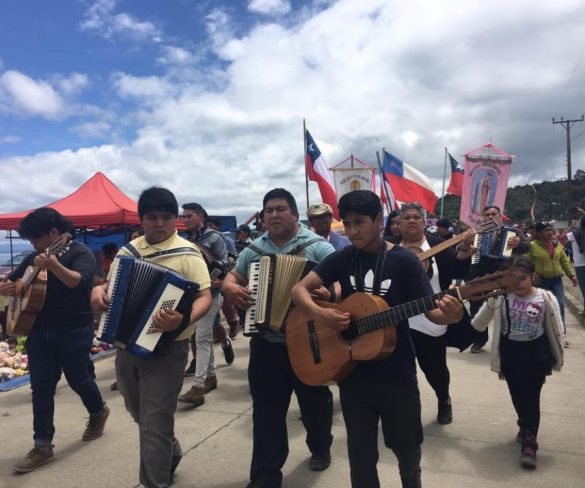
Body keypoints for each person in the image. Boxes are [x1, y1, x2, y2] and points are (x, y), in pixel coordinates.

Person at [291, 190, 464, 488]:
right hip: (353, 374)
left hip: (397, 374)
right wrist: (322, 315)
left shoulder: (404, 262)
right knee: (360, 456)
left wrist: (453, 316)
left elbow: (433, 312)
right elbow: (299, 291)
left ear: (379, 220)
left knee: (407, 451)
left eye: (360, 222)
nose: (352, 230)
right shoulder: (344, 258)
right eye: (347, 223)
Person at [91, 187, 212, 488]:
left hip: (168, 350)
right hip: (126, 347)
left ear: (176, 220)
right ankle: (171, 451)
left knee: (154, 424)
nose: (160, 223)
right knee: (140, 415)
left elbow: (205, 296)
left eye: (167, 217)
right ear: (142, 220)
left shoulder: (188, 254)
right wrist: (97, 291)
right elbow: (110, 287)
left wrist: (183, 320)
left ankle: (154, 482)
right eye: (152, 217)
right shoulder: (127, 252)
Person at [222, 188, 335, 488]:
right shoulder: (253, 250)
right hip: (267, 344)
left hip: (309, 342)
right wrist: (230, 288)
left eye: (281, 208)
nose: (274, 214)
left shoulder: (316, 247)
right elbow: (233, 277)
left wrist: (329, 292)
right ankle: (265, 477)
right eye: (268, 210)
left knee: (314, 403)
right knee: (267, 412)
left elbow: (341, 278)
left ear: (295, 214)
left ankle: (321, 444)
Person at [0, 208, 109, 473]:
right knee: (41, 386)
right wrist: (7, 287)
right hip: (38, 329)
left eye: (35, 238)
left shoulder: (79, 253)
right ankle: (42, 444)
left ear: (53, 233)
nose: (32, 244)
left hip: (73, 328)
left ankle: (98, 412)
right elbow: (14, 282)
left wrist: (54, 266)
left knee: (78, 378)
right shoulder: (33, 258)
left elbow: (79, 283)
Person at [471, 256, 564, 469]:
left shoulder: (546, 298)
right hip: (511, 353)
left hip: (537, 354)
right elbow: (478, 323)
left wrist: (559, 351)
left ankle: (530, 443)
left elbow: (557, 327)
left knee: (532, 396)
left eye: (522, 279)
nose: (517, 284)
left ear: (533, 277)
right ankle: (524, 422)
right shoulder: (501, 298)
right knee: (517, 393)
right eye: (511, 280)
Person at [388, 203, 472, 425]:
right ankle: (407, 409)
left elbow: (458, 269)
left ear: (425, 223)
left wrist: (464, 251)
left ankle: (444, 399)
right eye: (407, 218)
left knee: (435, 370)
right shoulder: (389, 247)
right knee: (401, 372)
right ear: (399, 223)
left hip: (432, 319)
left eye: (417, 217)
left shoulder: (439, 245)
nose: (412, 221)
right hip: (397, 319)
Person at [178, 202, 232, 407]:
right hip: (193, 295)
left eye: (189, 216)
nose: (185, 220)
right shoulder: (185, 240)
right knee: (203, 337)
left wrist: (221, 280)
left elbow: (225, 265)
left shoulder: (214, 238)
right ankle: (210, 377)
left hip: (212, 293)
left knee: (201, 337)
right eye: (184, 217)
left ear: (201, 216)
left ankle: (198, 386)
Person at [469, 206, 529, 353]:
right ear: (483, 217)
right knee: (476, 307)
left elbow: (528, 246)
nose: (490, 217)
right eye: (487, 215)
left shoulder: (513, 232)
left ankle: (507, 341)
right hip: (480, 273)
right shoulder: (476, 232)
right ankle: (479, 340)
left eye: (493, 214)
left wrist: (519, 243)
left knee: (507, 307)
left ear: (500, 215)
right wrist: (468, 247)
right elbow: (461, 249)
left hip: (504, 273)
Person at [526, 222, 577, 347]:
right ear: (538, 233)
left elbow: (564, 260)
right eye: (546, 230)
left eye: (551, 230)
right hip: (541, 281)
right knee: (539, 308)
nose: (550, 232)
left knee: (559, 305)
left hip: (556, 280)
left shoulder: (556, 244)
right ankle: (537, 336)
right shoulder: (532, 246)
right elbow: (526, 261)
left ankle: (562, 336)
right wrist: (532, 274)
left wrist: (571, 275)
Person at [566, 216, 585, 314]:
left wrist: (571, 226)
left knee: (583, 287)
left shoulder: (573, 234)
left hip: (580, 265)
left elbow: (563, 236)